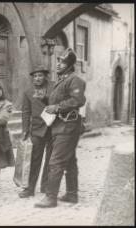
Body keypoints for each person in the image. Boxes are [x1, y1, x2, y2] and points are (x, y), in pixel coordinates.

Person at [34, 48, 86, 208]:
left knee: (55, 161)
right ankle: (72, 194)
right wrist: (46, 99)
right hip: (60, 126)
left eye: (62, 61)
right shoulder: (62, 80)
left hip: (68, 126)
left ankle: (51, 197)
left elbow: (78, 100)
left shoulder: (74, 80)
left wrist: (56, 107)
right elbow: (58, 100)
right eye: (58, 60)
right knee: (69, 161)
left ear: (70, 65)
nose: (58, 64)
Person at [18, 65, 53, 198]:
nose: (37, 78)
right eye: (35, 76)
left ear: (45, 77)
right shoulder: (28, 92)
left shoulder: (53, 88)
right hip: (37, 130)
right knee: (33, 160)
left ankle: (46, 186)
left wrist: (46, 97)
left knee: (51, 160)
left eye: (40, 76)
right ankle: (29, 188)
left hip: (52, 128)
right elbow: (26, 112)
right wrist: (25, 130)